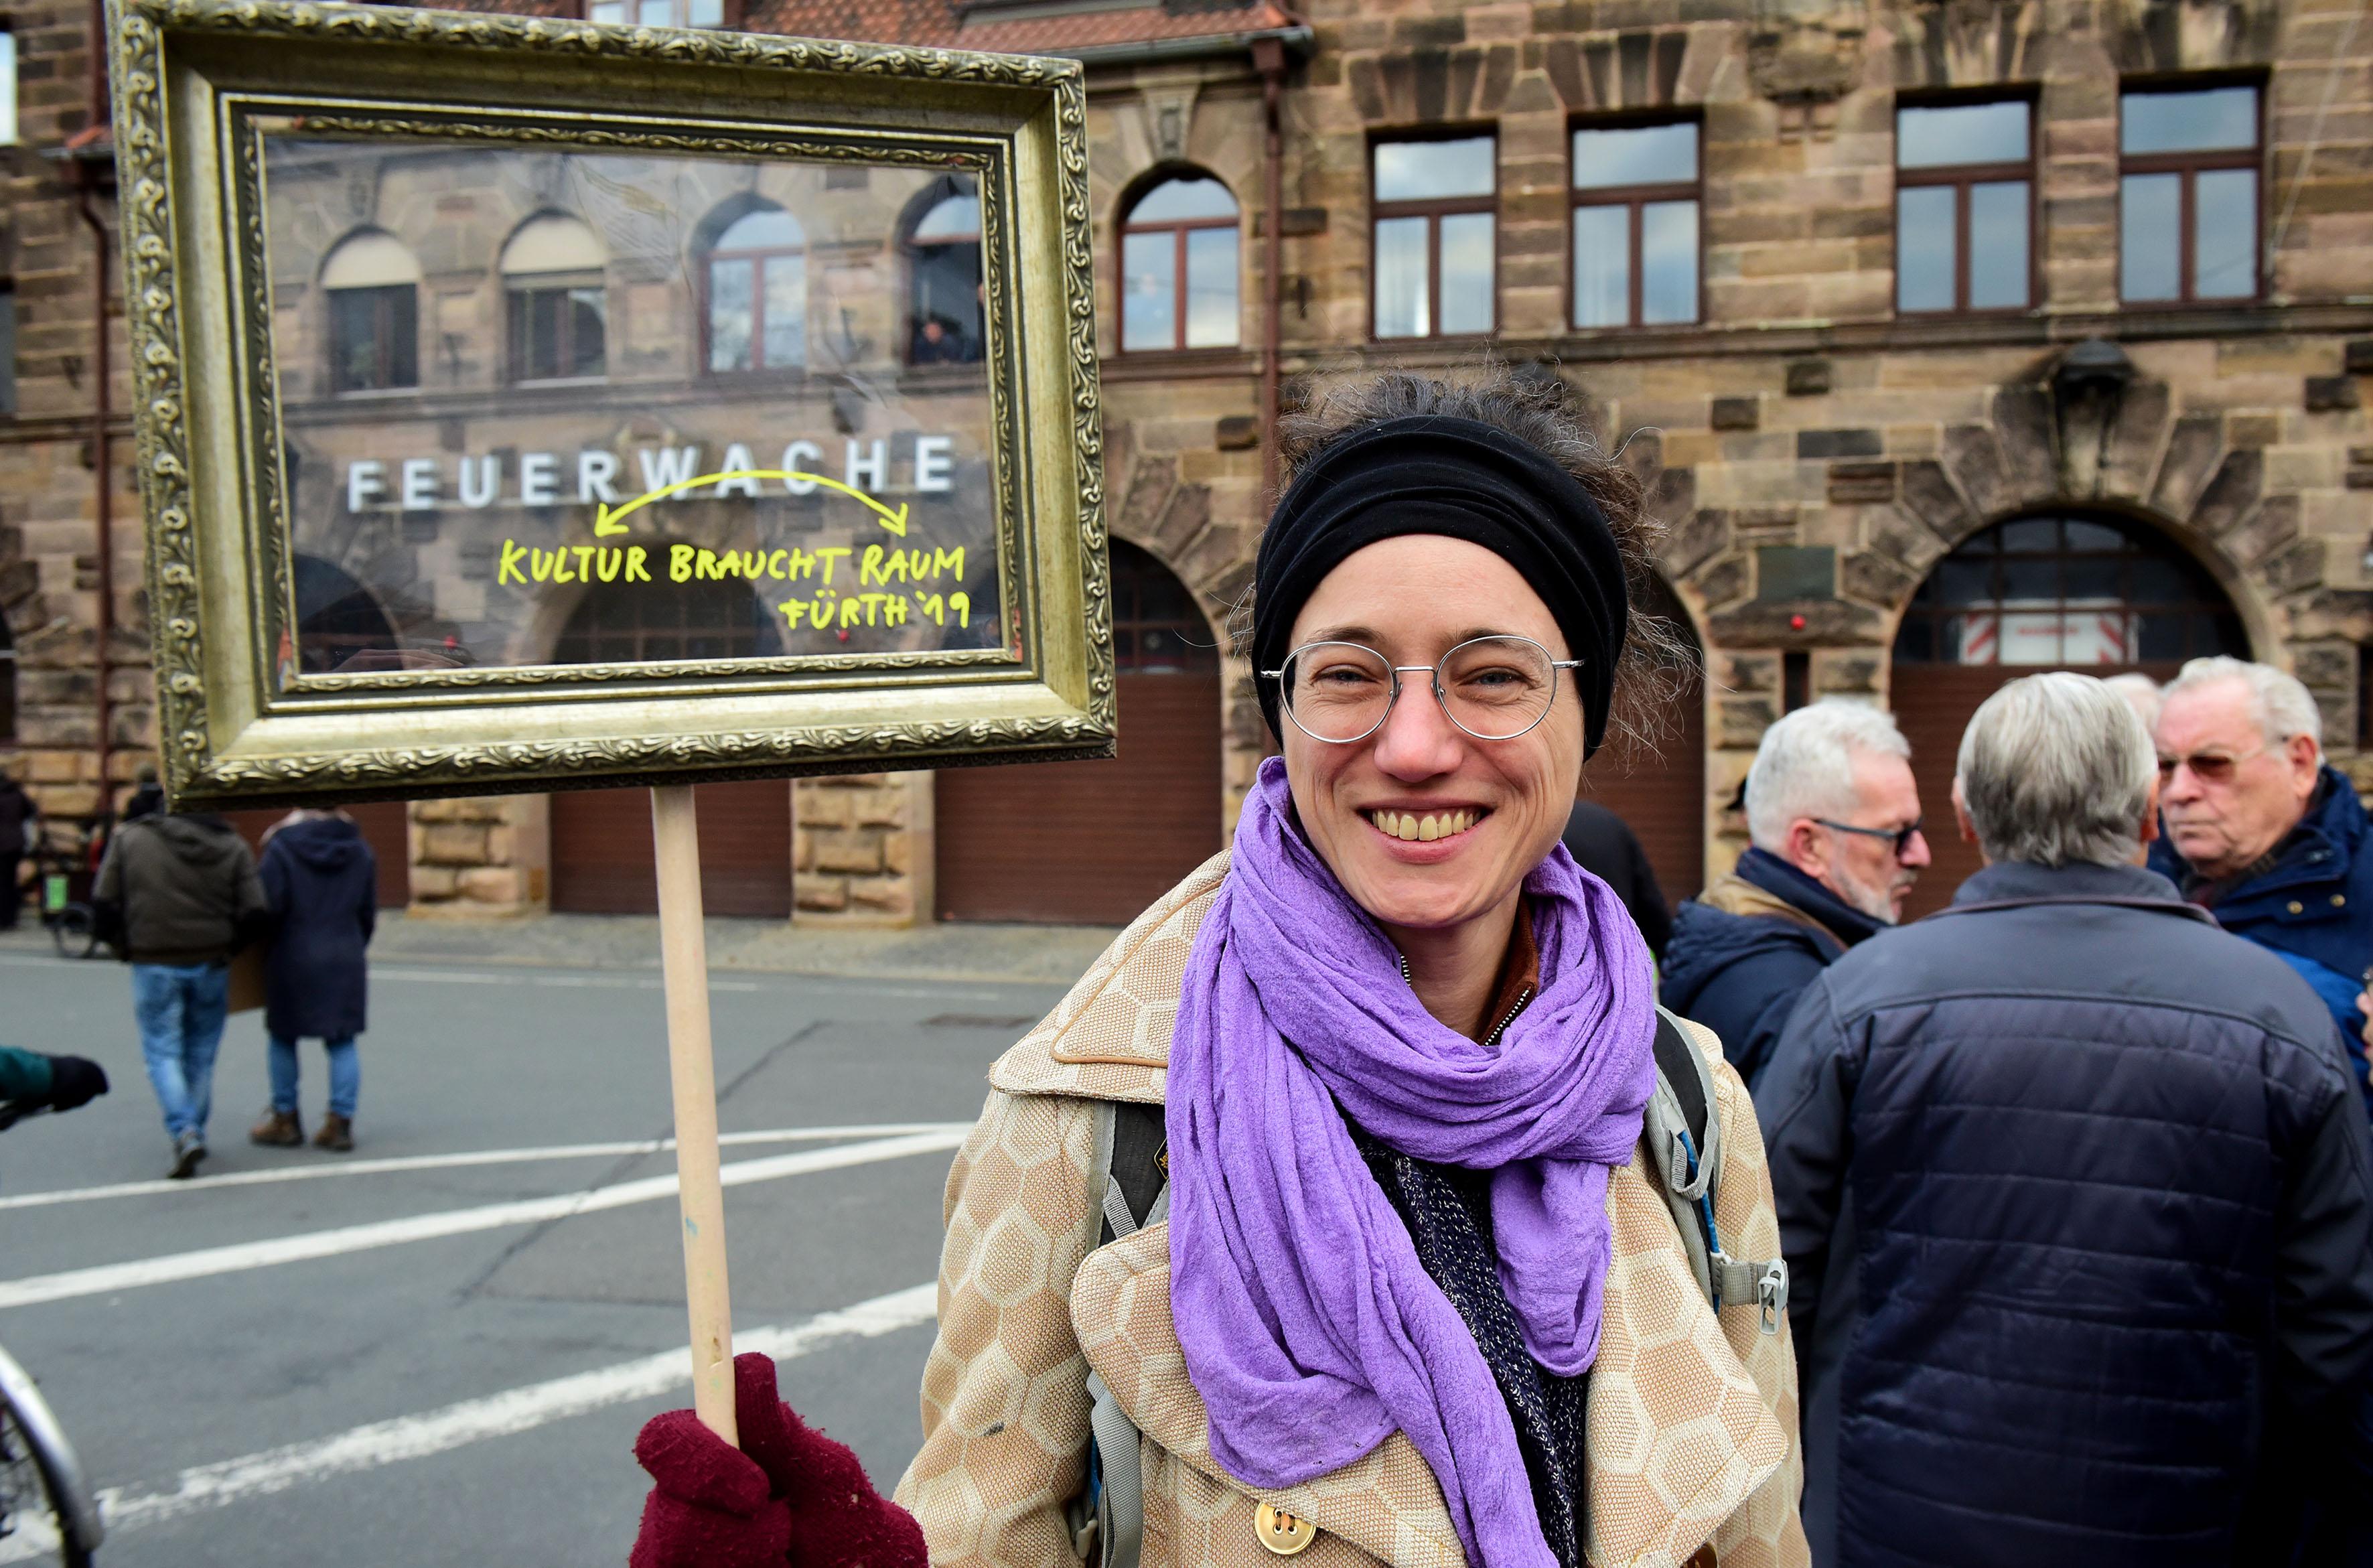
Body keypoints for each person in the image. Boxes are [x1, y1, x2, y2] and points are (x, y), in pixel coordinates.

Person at [628, 371, 1807, 1568]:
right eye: (1347, 673)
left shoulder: (1679, 1097)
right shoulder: (1084, 1121)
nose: (1411, 745)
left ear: (1582, 711)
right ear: (1281, 713)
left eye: (1491, 675)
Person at [1757, 672, 2373, 1568]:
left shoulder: (1859, 1000)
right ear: (2148, 816)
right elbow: (2333, 1331)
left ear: (1965, 818)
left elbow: (1771, 1270)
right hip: (2191, 1522)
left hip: (1894, 1520)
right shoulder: (2279, 1016)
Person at [1658, 701, 1928, 1088]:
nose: (1920, 854)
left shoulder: (1771, 947)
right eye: (1894, 834)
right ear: (1809, 846)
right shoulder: (1789, 998)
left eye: (1918, 828)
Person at [2150, 655, 2373, 1115]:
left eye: (2211, 764)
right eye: (2165, 766)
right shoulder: (2130, 885)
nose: (2178, 791)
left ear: (2299, 763)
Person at [93, 806, 267, 1178]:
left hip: (153, 957)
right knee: (201, 1053)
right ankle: (194, 1129)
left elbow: (104, 904)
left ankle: (184, 1131)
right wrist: (230, 948)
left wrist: (124, 947)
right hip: (211, 960)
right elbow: (255, 911)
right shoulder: (231, 844)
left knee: (161, 1050)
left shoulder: (131, 838)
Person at [247, 808, 377, 1154]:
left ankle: (285, 1118)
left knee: (282, 1036)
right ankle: (340, 1124)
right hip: (344, 950)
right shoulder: (360, 848)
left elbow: (268, 907)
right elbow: (367, 911)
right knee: (342, 1041)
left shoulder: (281, 847)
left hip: (293, 951)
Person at [1559, 797, 1670, 956]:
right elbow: (1651, 906)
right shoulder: (1611, 824)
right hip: (1614, 947)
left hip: (1558, 950)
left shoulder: (1541, 830)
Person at [0, 773, 35, 930]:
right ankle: (11, 918)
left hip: (2, 843)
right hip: (16, 843)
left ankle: (3, 918)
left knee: (2, 882)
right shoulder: (17, 793)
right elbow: (31, 811)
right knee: (11, 881)